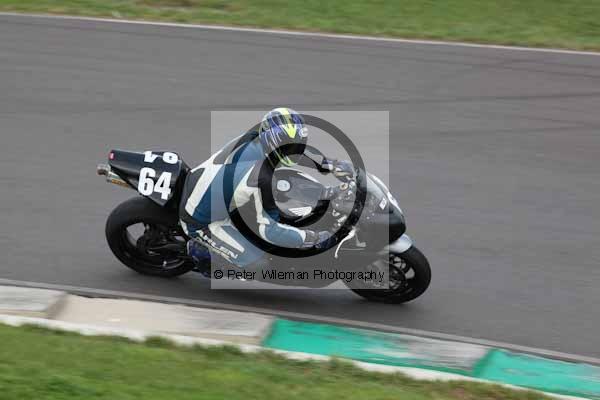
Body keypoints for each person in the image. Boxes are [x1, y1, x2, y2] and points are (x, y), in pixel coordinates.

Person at [179, 107, 353, 272]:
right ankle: (201, 252)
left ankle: (326, 194)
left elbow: (292, 154)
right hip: (201, 219)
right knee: (257, 264)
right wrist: (312, 238)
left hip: (209, 186)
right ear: (274, 141)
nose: (294, 150)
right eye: (290, 146)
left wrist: (329, 164)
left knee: (282, 183)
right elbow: (269, 231)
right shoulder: (258, 174)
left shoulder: (258, 139)